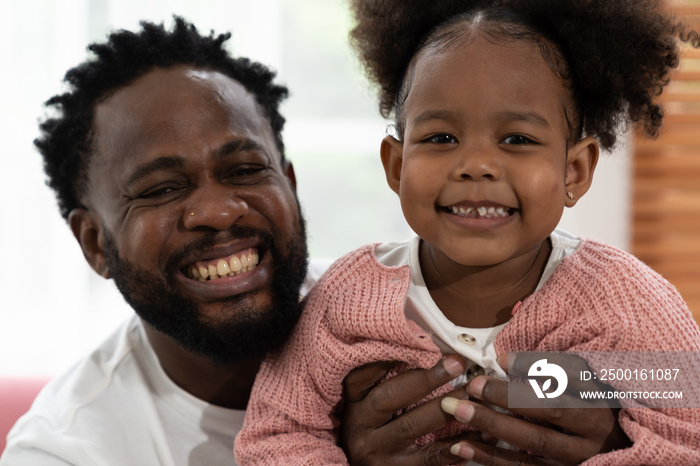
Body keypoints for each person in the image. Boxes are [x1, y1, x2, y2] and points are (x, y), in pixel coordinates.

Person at [235, 0, 700, 465]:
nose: (476, 165)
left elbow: (684, 440)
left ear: (574, 170)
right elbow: (275, 437)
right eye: (441, 138)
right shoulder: (342, 304)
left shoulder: (628, 306)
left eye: (517, 139)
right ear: (396, 166)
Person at [0, 17, 317, 465]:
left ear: (289, 185)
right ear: (94, 243)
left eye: (245, 170)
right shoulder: (64, 452)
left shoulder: (402, 313)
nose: (218, 211)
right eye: (162, 189)